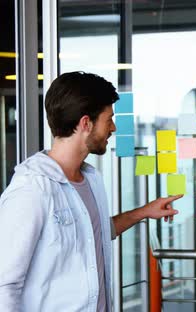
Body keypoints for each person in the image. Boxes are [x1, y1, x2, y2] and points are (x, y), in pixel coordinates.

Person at [0, 72, 182, 311]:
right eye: (109, 119)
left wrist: (143, 212)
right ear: (86, 123)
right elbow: (5, 284)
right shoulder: (32, 189)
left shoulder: (90, 179)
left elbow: (93, 232)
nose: (114, 128)